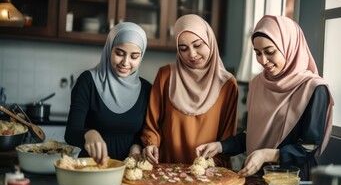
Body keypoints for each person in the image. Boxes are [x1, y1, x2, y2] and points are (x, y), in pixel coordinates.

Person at [196, 15, 334, 180]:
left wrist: (268, 155)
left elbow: (308, 147)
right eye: (258, 53)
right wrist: (220, 146)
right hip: (257, 175)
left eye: (269, 52)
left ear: (289, 46)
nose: (263, 60)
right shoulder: (257, 84)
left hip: (294, 179)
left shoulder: (314, 88)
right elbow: (252, 135)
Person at [141, 14, 238, 168]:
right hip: (165, 169)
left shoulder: (228, 84)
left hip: (209, 173)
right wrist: (150, 144)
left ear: (209, 41)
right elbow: (151, 125)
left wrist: (209, 165)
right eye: (183, 49)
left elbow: (226, 140)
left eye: (198, 45)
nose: (192, 54)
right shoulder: (165, 76)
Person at [65, 22, 151, 165]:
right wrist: (89, 133)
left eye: (134, 57)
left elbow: (142, 134)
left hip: (130, 172)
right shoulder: (87, 81)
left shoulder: (146, 89)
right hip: (93, 169)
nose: (125, 62)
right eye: (119, 53)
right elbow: (71, 133)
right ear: (109, 49)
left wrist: (136, 147)